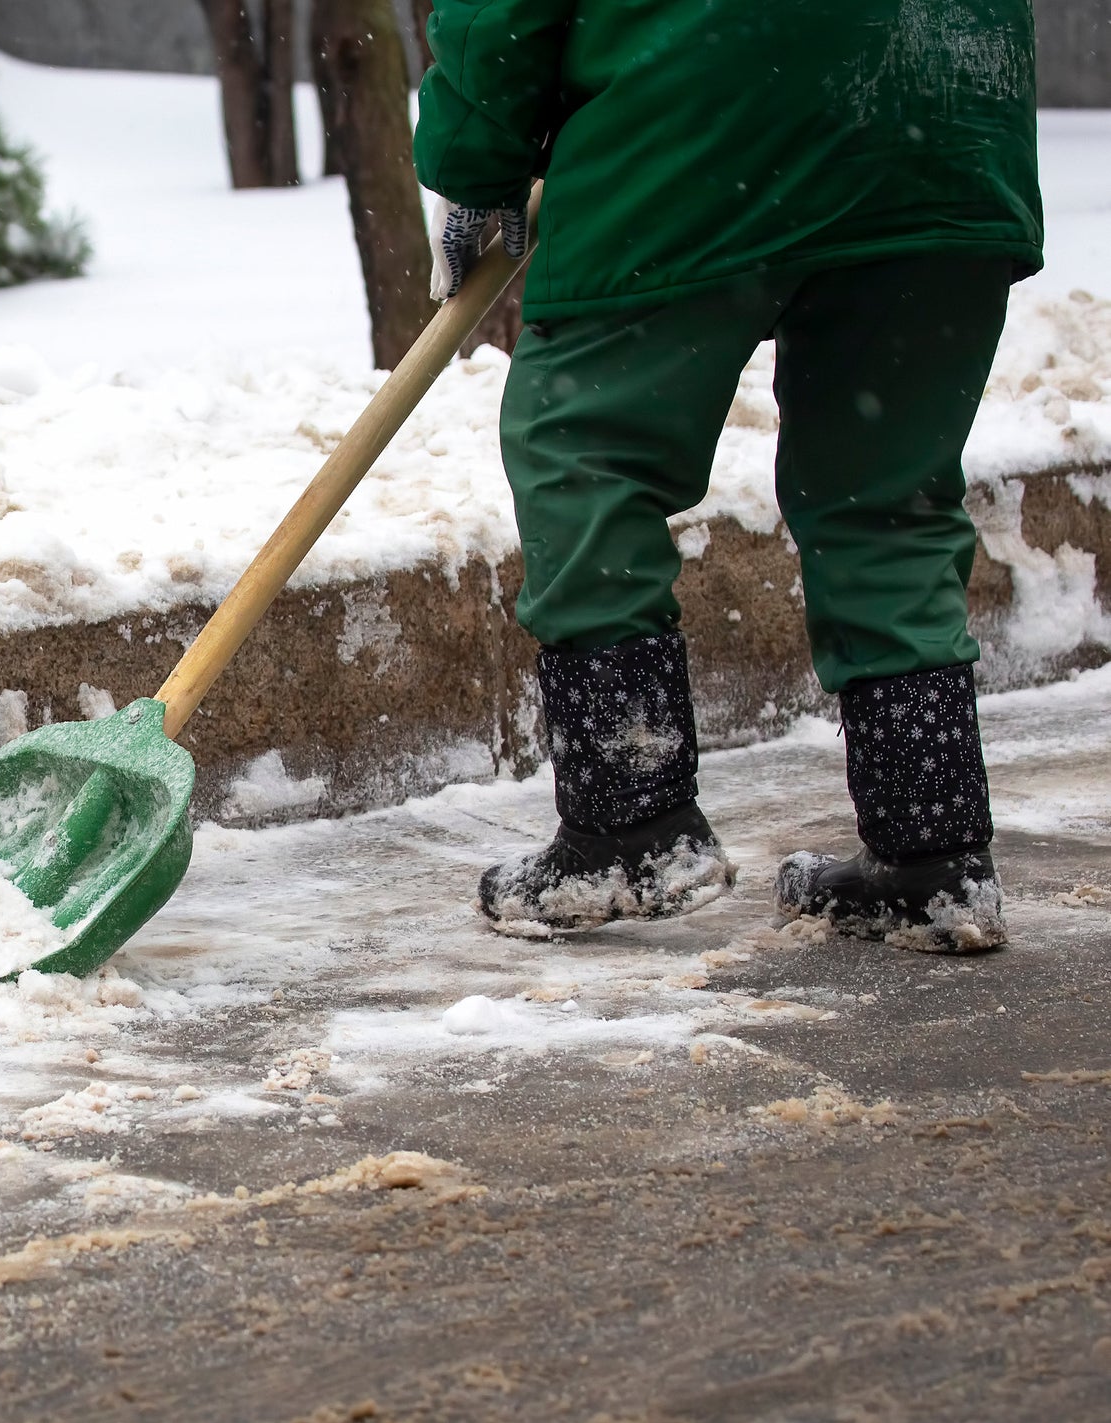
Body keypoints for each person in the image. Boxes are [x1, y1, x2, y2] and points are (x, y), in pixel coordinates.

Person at [413, 0, 1042, 951]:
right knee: (888, 495)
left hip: (709, 103)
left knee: (587, 448)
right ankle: (932, 859)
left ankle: (629, 830)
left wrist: (474, 163)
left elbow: (498, 12)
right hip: (947, 110)